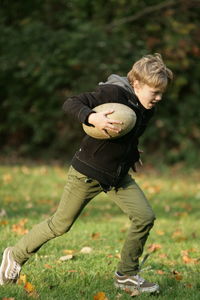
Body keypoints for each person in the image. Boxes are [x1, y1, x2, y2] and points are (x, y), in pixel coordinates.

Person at [0, 53, 173, 294]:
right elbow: (71, 102)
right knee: (60, 225)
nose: (159, 97)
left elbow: (128, 136)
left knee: (144, 217)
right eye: (155, 92)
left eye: (162, 93)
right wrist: (93, 117)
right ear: (136, 84)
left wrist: (131, 154)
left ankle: (126, 275)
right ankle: (14, 256)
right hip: (87, 173)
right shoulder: (113, 94)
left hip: (116, 177)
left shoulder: (146, 107)